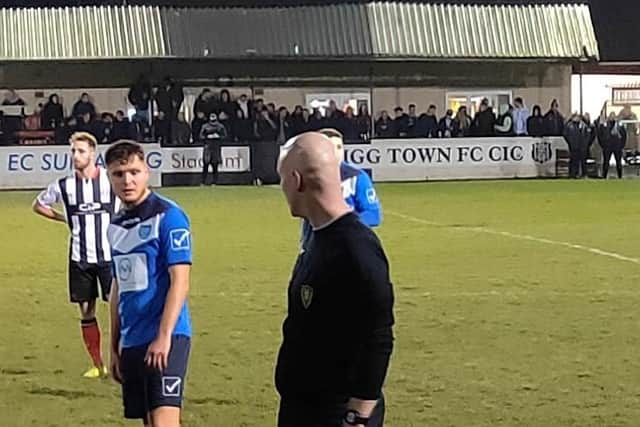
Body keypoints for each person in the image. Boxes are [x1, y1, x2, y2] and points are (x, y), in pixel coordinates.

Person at [275, 132, 394, 427]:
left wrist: (358, 416)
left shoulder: (356, 247)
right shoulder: (318, 237)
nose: (281, 189)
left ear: (296, 180)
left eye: (282, 180)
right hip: (304, 407)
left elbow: (378, 336)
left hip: (335, 413)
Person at [105, 141, 192, 427]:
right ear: (109, 177)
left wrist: (164, 335)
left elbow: (180, 279)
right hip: (131, 340)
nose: (127, 180)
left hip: (167, 336)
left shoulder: (169, 216)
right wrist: (114, 345)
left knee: (164, 421)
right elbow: (118, 287)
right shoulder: (115, 226)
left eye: (134, 171)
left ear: (147, 172)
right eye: (118, 174)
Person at [32, 131, 119, 378]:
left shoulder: (110, 180)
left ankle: (120, 361)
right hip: (80, 259)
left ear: (93, 153)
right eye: (72, 151)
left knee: (120, 311)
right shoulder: (64, 185)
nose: (75, 155)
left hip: (109, 257)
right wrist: (63, 218)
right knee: (86, 310)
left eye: (80, 151)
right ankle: (97, 364)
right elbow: (38, 205)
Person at [299, 128, 382, 251]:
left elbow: (374, 215)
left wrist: (344, 224)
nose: (336, 152)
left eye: (339, 147)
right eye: (331, 148)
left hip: (351, 247)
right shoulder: (308, 179)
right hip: (316, 249)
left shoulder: (357, 177)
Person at [200, 113, 228, 185]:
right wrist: (208, 137)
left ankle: (214, 182)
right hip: (208, 146)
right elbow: (200, 136)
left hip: (216, 146)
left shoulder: (221, 126)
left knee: (215, 165)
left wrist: (218, 136)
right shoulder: (205, 126)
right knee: (206, 164)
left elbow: (225, 136)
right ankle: (203, 181)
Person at [598, 112, 627, 179]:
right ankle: (604, 176)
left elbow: (624, 135)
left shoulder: (619, 125)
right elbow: (600, 135)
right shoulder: (605, 125)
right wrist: (603, 145)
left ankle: (620, 176)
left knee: (618, 162)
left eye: (614, 116)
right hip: (607, 147)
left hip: (617, 147)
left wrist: (622, 145)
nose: (612, 117)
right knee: (606, 162)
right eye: (611, 116)